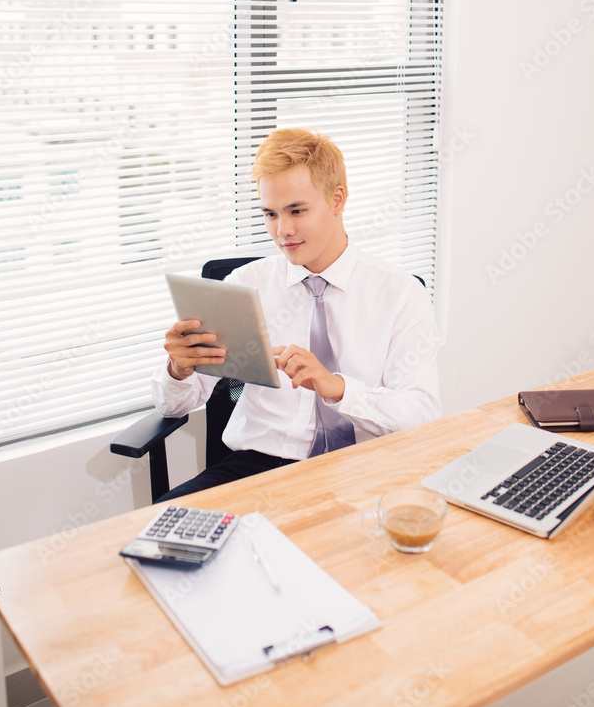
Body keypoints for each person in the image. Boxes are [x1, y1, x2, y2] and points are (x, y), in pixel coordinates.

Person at [152, 127, 441, 497]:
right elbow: (175, 405)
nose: (282, 230)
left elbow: (423, 414)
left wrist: (336, 387)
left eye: (297, 210)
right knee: (158, 533)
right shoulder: (241, 286)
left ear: (337, 200)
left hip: (365, 469)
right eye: (270, 214)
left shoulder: (400, 293)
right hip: (257, 469)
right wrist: (178, 370)